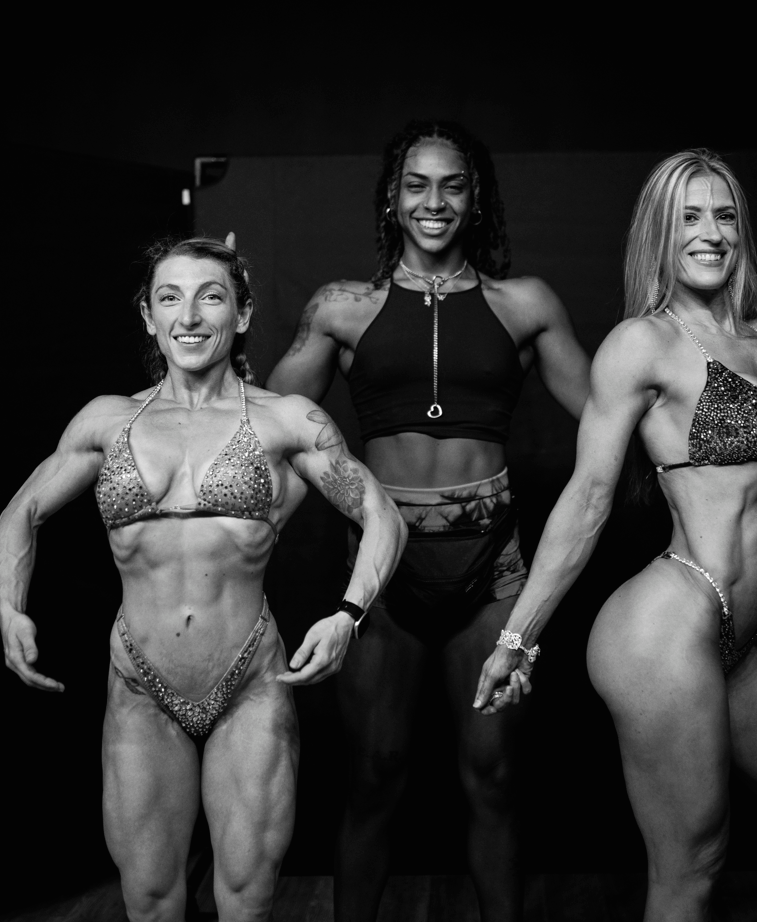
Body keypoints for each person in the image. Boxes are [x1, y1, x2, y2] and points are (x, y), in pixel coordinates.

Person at [472, 150, 757, 922]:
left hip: (737, 645)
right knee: (692, 864)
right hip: (664, 626)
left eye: (724, 215)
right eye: (689, 217)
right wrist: (518, 636)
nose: (710, 233)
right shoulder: (643, 345)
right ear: (660, 236)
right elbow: (588, 496)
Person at [0, 236, 405, 922]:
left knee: (244, 901)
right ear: (148, 318)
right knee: (150, 902)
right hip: (139, 686)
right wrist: (10, 608)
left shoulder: (285, 420)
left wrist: (349, 614)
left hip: (250, 684)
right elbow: (21, 512)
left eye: (210, 296)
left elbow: (380, 514)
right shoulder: (105, 420)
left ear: (240, 315)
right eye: (169, 298)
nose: (189, 315)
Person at [266, 120, 591, 922]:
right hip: (382, 578)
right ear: (391, 197)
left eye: (452, 184)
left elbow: (607, 423)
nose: (433, 200)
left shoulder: (527, 306)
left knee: (495, 779)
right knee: (373, 776)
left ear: (475, 199)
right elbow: (269, 425)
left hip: (493, 576)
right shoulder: (342, 309)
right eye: (416, 184)